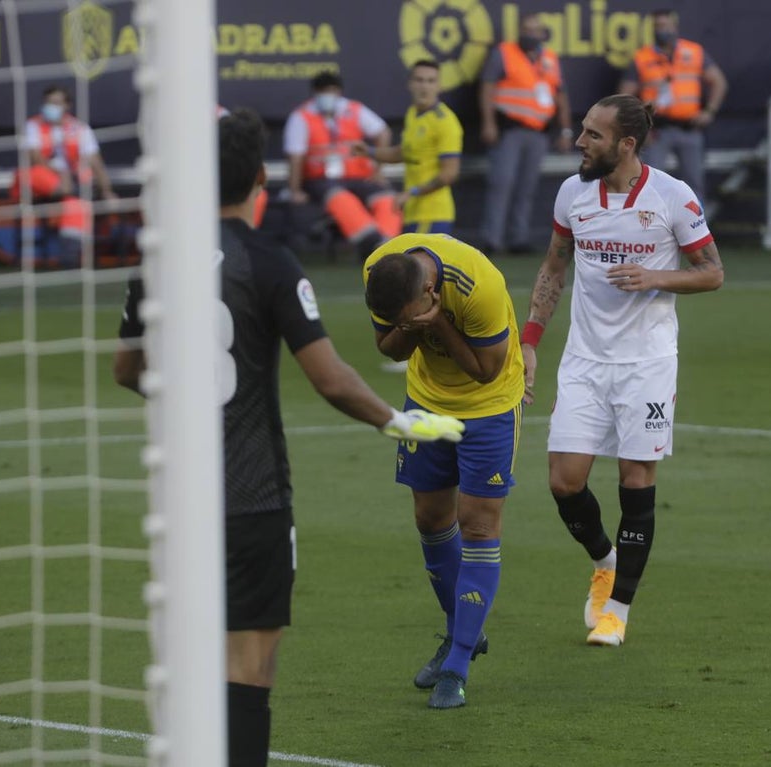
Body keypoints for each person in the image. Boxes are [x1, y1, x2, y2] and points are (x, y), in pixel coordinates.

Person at [114, 109, 465, 766]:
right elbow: (329, 378)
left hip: (180, 498)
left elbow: (127, 369)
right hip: (252, 496)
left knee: (192, 661)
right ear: (258, 179)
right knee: (248, 669)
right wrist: (398, 419)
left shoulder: (157, 258)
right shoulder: (269, 262)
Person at [520, 94, 723, 647]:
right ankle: (605, 559)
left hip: (648, 364)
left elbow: (711, 273)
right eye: (582, 132)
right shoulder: (572, 194)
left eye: (592, 135)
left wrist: (657, 277)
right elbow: (554, 265)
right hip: (584, 360)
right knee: (565, 483)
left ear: (626, 144)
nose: (579, 143)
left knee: (636, 481)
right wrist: (530, 341)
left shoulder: (672, 198)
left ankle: (618, 610)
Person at [363, 232, 525, 708]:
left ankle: (456, 664)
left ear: (431, 292)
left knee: (478, 526)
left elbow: (486, 370)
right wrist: (410, 326)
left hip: (489, 405)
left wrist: (438, 325)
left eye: (410, 312)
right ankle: (464, 634)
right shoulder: (380, 270)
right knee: (430, 519)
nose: (401, 323)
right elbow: (390, 349)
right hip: (426, 403)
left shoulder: (480, 286)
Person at [478, 12, 574, 254]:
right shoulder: (504, 52)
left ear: (543, 34)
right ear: (519, 31)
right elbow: (487, 87)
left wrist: (565, 129)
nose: (531, 35)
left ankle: (518, 237)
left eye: (535, 30)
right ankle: (492, 239)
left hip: (539, 131)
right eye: (526, 30)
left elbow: (560, 95)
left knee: (527, 187)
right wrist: (488, 123)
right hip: (509, 129)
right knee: (501, 184)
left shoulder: (549, 58)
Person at [283, 71, 401, 259]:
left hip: (359, 176)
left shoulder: (353, 109)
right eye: (323, 91)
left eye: (331, 91)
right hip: (321, 179)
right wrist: (295, 189)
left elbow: (383, 132)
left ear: (339, 92)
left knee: (386, 198)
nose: (327, 96)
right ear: (314, 93)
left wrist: (378, 169)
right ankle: (372, 244)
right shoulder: (301, 116)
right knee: (341, 198)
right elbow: (295, 156)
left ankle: (389, 246)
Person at [619, 8, 727, 202]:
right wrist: (638, 129)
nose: (662, 30)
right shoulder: (642, 58)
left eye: (666, 25)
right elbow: (624, 97)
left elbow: (719, 81)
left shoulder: (693, 51)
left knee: (694, 185)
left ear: (675, 26)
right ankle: (652, 229)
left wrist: (709, 111)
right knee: (650, 183)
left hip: (689, 128)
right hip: (656, 131)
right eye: (658, 26)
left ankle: (695, 230)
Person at [11, 85, 117, 263]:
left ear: (67, 105)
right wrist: (61, 174)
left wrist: (107, 190)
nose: (52, 106)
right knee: (34, 173)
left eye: (57, 103)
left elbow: (95, 160)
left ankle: (71, 253)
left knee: (75, 203)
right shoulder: (33, 126)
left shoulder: (80, 128)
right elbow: (35, 157)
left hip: (73, 185)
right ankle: (71, 190)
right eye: (49, 102)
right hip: (43, 183)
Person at [355, 60, 463, 235]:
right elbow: (403, 152)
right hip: (413, 212)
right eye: (419, 80)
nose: (424, 87)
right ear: (410, 84)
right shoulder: (413, 113)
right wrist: (369, 151)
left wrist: (411, 192)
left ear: (439, 86)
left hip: (433, 214)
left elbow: (449, 173)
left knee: (418, 262)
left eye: (431, 81)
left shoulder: (445, 122)